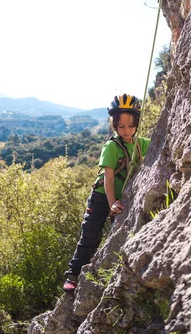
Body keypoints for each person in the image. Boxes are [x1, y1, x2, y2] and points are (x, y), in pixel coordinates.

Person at [63, 93, 151, 294]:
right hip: (103, 196)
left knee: (116, 235)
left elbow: (158, 143)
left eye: (130, 125)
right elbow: (109, 179)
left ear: (137, 123)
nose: (126, 130)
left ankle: (108, 272)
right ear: (114, 126)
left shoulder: (140, 143)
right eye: (121, 126)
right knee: (91, 234)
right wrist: (112, 203)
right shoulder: (111, 147)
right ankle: (73, 275)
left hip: (119, 199)